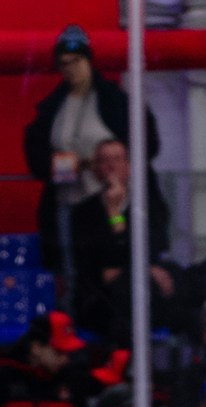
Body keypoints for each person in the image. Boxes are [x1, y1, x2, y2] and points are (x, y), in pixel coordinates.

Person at [24, 23, 155, 299]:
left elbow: (148, 144)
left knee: (113, 267)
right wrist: (67, 165)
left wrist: (112, 166)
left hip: (110, 202)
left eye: (77, 61)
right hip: (67, 202)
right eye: (64, 63)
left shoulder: (116, 103)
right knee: (70, 272)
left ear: (89, 61)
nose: (71, 69)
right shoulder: (52, 108)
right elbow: (35, 155)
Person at [68, 137, 177, 353]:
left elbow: (154, 247)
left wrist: (124, 264)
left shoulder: (150, 207)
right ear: (96, 170)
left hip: (145, 294)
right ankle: (132, 371)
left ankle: (124, 369)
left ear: (128, 166)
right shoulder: (82, 214)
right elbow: (90, 266)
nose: (111, 166)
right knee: (124, 297)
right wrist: (114, 213)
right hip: (102, 299)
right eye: (104, 161)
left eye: (117, 159)